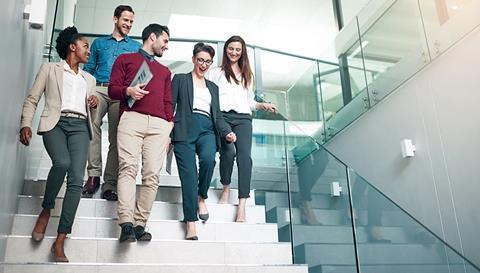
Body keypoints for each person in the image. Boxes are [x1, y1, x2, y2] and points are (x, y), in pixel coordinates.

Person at [19, 26, 97, 262]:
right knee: (61, 162)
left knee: (76, 180)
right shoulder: (49, 69)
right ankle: (47, 207)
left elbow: (90, 108)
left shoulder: (89, 79)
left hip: (80, 126)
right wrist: (26, 124)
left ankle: (61, 239)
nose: (89, 52)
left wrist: (92, 103)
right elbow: (33, 98)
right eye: (86, 46)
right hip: (56, 123)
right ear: (72, 47)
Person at [108, 23, 173, 243]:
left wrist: (169, 127)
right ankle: (126, 224)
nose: (166, 46)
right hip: (131, 119)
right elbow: (112, 89)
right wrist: (128, 90)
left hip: (159, 126)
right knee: (127, 168)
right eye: (164, 41)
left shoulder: (165, 72)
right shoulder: (125, 59)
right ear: (152, 37)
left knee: (152, 175)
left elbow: (167, 102)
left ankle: (139, 224)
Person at [171, 43, 236, 240]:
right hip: (184, 129)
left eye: (208, 61)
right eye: (200, 60)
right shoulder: (180, 79)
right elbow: (170, 106)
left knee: (209, 160)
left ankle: (201, 196)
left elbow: (218, 117)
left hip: (207, 128)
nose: (204, 64)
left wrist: (227, 133)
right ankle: (191, 222)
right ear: (193, 59)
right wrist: (166, 133)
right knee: (189, 176)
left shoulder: (213, 88)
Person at [208, 35, 276, 222]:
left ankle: (242, 205)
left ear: (242, 52)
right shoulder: (216, 73)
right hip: (223, 117)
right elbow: (210, 98)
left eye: (238, 49)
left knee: (245, 157)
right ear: (226, 49)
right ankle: (226, 187)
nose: (234, 52)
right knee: (228, 153)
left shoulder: (248, 75)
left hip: (243, 119)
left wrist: (263, 105)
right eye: (231, 48)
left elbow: (249, 102)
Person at [82, 5, 141, 200]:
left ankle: (110, 184)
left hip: (120, 93)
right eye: (125, 20)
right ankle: (93, 175)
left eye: (131, 21)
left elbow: (137, 75)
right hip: (99, 88)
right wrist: (88, 90)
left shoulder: (135, 47)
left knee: (117, 138)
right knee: (92, 126)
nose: (129, 24)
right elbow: (89, 69)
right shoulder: (99, 43)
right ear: (115, 19)